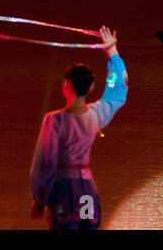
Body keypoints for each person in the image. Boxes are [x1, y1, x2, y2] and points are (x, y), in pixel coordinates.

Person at [29, 26, 128, 230]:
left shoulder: (54, 120)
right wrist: (113, 53)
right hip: (87, 188)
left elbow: (45, 163)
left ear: (66, 84)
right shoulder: (96, 114)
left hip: (63, 191)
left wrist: (40, 198)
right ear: (91, 87)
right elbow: (117, 90)